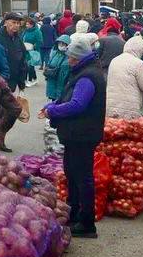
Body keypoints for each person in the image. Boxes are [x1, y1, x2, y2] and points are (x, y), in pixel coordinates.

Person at [40, 40, 106, 238]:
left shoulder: (88, 76)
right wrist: (53, 105)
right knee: (72, 172)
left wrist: (53, 110)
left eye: (70, 56)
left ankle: (87, 222)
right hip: (76, 134)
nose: (67, 59)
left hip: (83, 134)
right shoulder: (82, 71)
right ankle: (74, 212)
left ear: (78, 57)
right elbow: (68, 97)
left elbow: (77, 105)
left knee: (83, 176)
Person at [105, 35, 143, 119]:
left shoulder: (115, 60)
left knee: (113, 129)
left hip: (111, 104)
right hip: (129, 107)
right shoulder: (139, 64)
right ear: (141, 50)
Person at [0, 12, 27, 93]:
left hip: (13, 81)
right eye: (13, 22)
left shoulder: (17, 39)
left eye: (18, 23)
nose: (16, 25)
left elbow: (22, 61)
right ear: (5, 23)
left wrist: (21, 82)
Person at [44, 35, 71, 101]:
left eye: (63, 44)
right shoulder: (54, 53)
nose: (61, 45)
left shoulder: (69, 56)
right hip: (52, 79)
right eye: (59, 43)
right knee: (54, 99)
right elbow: (49, 64)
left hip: (61, 81)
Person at [22, 17, 42, 85]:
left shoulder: (37, 31)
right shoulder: (25, 31)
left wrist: (34, 46)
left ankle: (29, 80)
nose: (27, 25)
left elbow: (40, 41)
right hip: (25, 50)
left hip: (32, 51)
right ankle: (34, 79)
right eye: (26, 24)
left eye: (28, 24)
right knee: (28, 66)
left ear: (32, 25)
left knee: (29, 66)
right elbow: (22, 38)